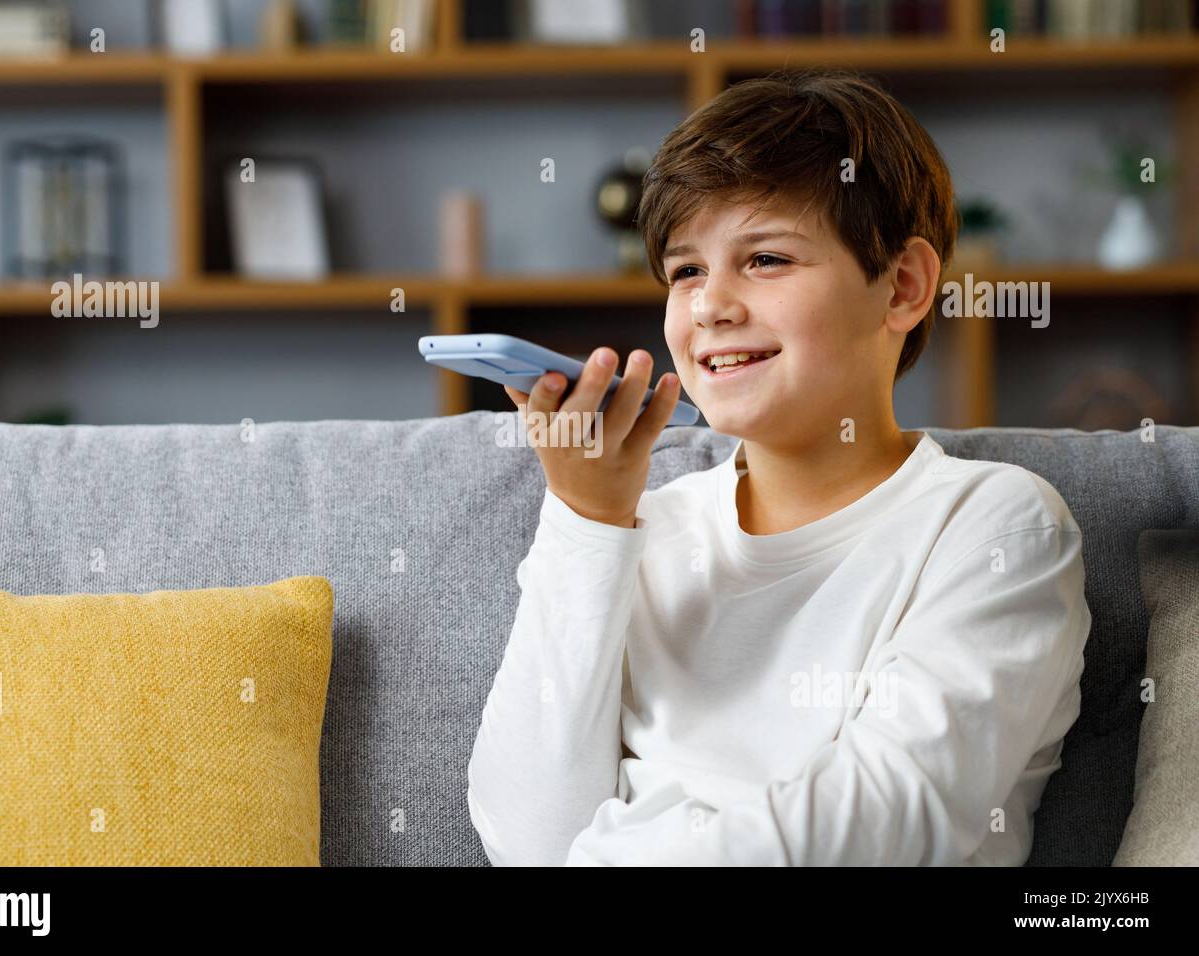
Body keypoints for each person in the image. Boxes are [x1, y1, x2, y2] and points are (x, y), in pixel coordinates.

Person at [466, 68, 1090, 866]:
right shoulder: (646, 529)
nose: (709, 306)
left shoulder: (995, 526)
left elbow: (880, 829)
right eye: (685, 270)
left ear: (902, 286)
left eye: (764, 259)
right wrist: (585, 524)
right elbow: (526, 838)